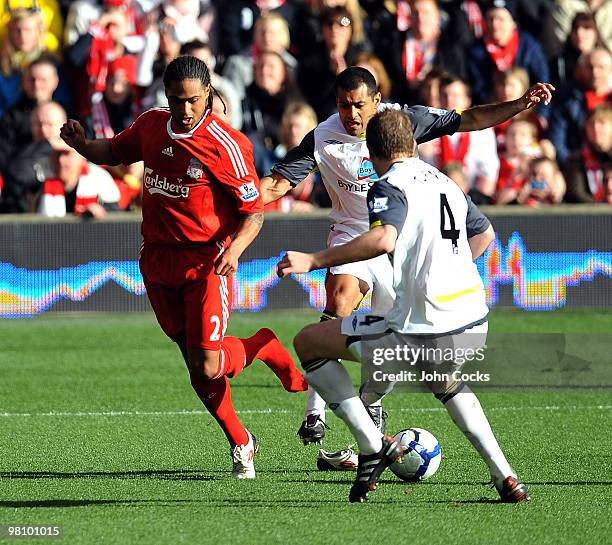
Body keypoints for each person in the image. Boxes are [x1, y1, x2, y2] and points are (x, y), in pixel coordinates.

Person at [260, 66, 554, 456]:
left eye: (360, 105)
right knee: (340, 299)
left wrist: (519, 105)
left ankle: (373, 412)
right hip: (354, 236)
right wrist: (227, 208)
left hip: (401, 244)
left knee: (389, 344)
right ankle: (315, 411)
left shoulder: (400, 123)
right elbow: (275, 185)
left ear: (377, 101)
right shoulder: (323, 137)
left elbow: (468, 119)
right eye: (344, 106)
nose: (352, 114)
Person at [59, 55, 306, 479]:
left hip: (206, 262)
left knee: (209, 362)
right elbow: (114, 152)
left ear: (208, 95)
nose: (186, 109)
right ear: (167, 97)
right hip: (157, 261)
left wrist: (237, 249)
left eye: (193, 100)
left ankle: (262, 344)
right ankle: (241, 442)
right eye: (177, 100)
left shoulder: (227, 145)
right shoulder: (153, 124)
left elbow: (254, 212)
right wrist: (82, 144)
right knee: (195, 364)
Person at [276, 108, 530, 504]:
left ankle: (372, 443)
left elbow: (382, 240)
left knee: (309, 342)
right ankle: (505, 475)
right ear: (413, 145)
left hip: (422, 328)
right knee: (443, 379)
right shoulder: (445, 181)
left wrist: (313, 260)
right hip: (473, 323)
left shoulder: (388, 186)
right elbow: (485, 234)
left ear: (372, 155)